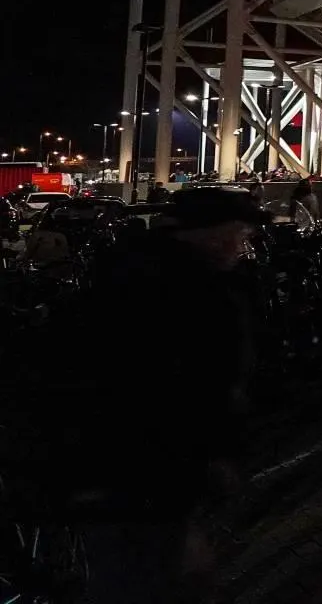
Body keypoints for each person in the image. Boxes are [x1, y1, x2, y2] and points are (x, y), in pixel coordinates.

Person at [65, 187, 268, 601]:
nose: (244, 242)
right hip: (138, 467)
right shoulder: (187, 288)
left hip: (130, 467)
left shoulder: (137, 269)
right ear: (214, 233)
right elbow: (186, 385)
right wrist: (215, 451)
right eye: (239, 232)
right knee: (147, 576)